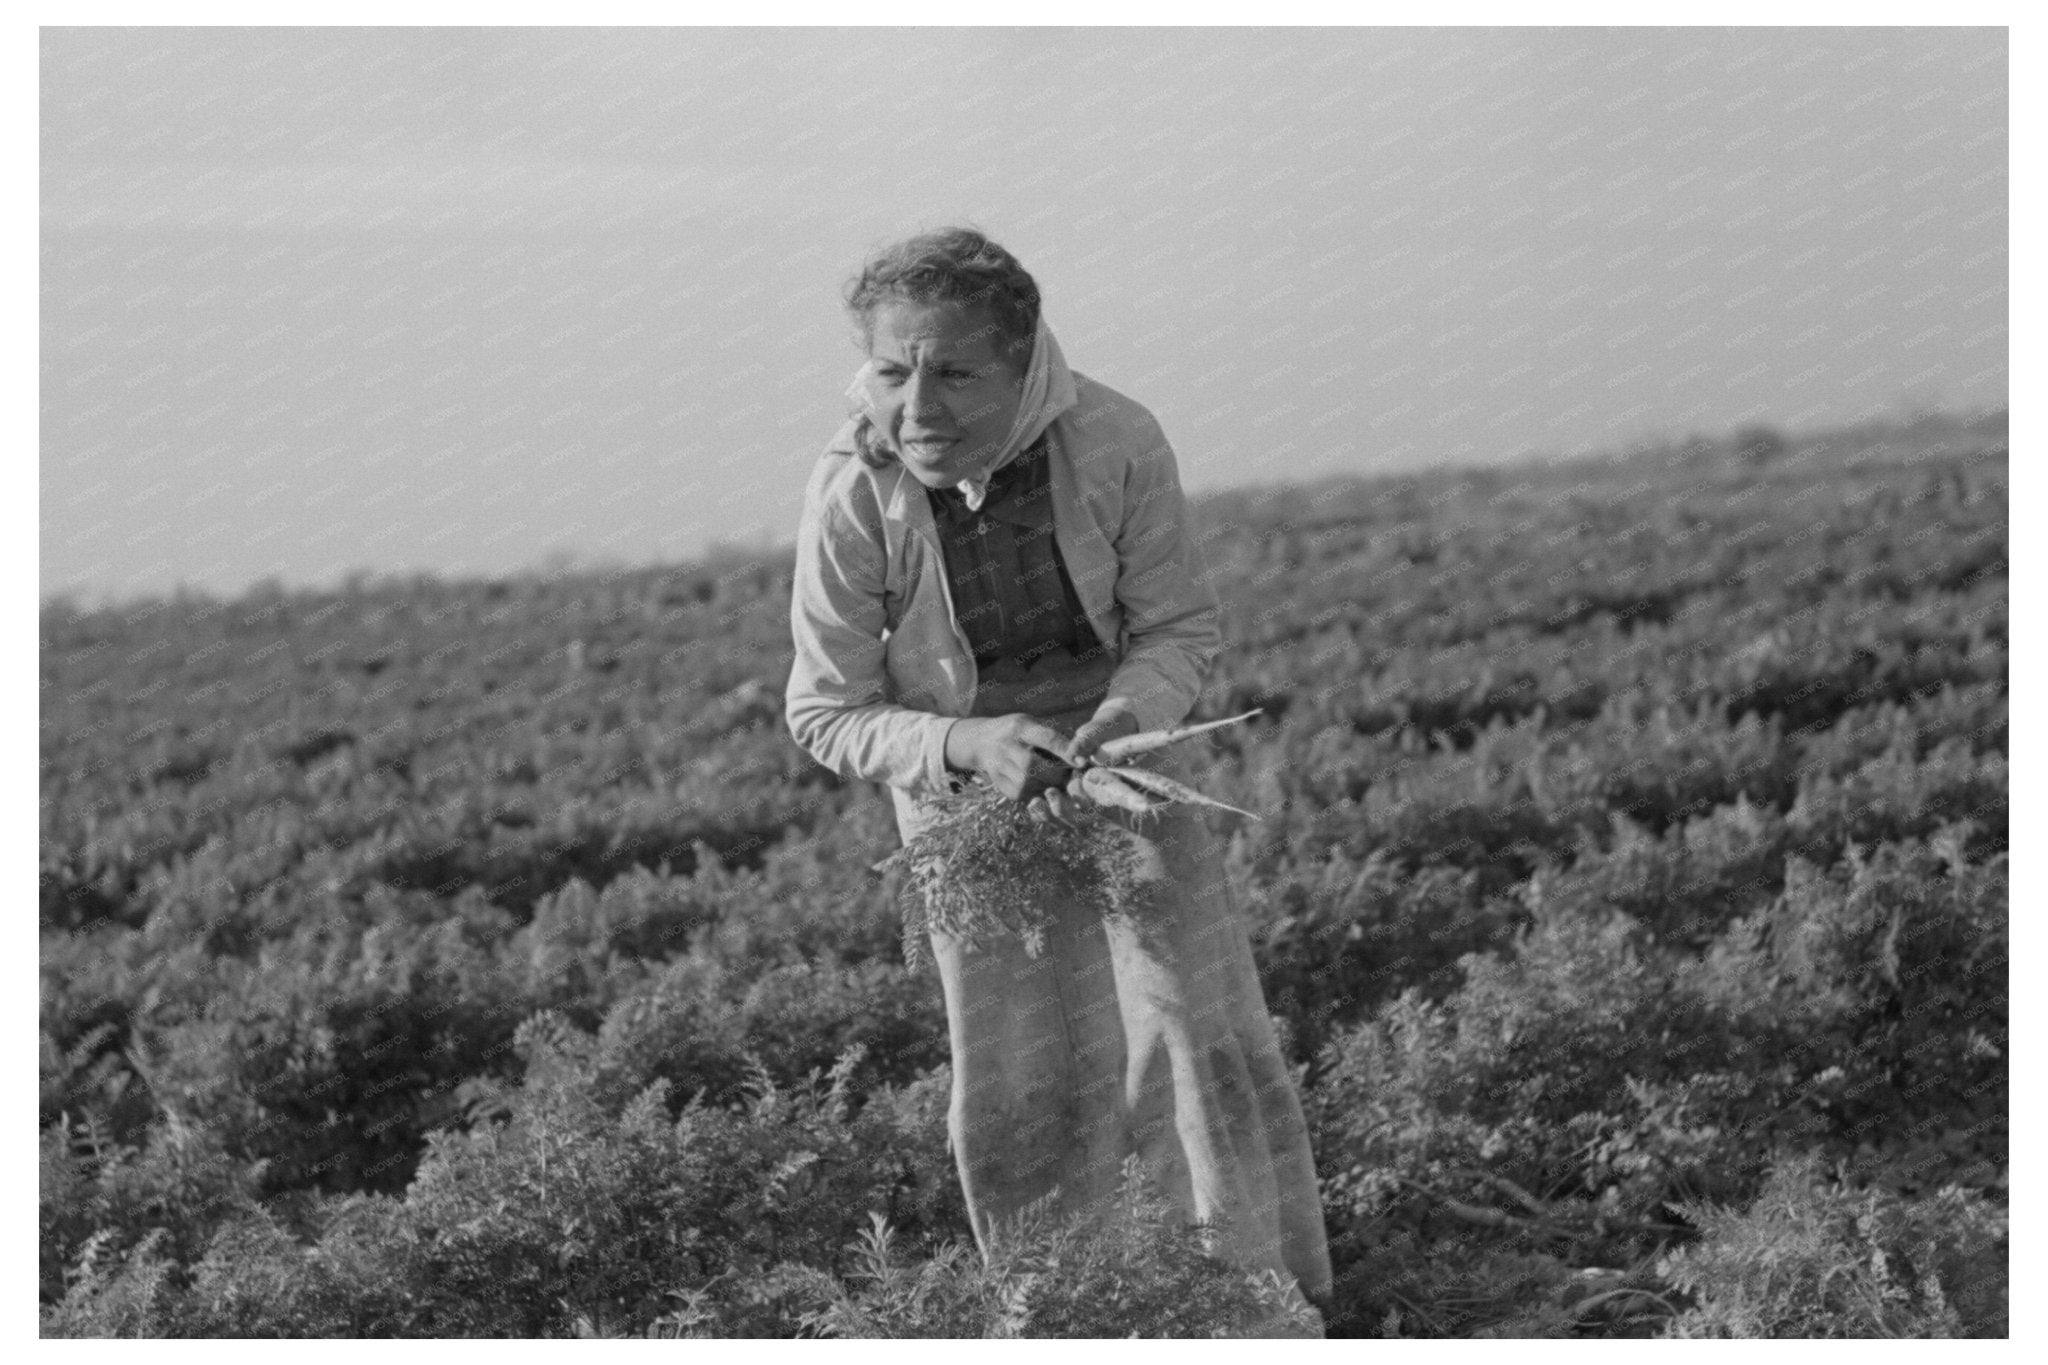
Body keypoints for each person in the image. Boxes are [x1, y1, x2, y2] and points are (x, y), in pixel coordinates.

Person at [785, 227, 1332, 1321]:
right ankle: (1069, 1310)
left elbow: (1175, 626)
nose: (919, 407)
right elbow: (825, 710)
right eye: (893, 372)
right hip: (964, 804)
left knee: (1186, 1030)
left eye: (955, 373)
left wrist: (1132, 712)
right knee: (1020, 1066)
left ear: (1025, 362)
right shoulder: (854, 490)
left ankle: (1241, 1298)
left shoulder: (1116, 439)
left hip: (1124, 774)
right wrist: (965, 746)